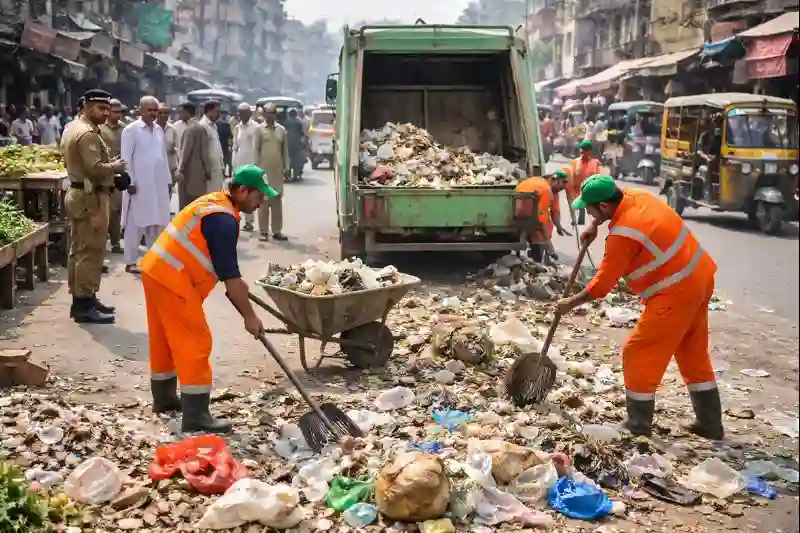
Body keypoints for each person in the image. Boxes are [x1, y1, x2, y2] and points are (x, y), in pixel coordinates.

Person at [555, 174, 723, 440]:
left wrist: (570, 303)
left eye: (590, 209)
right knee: (692, 351)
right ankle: (711, 424)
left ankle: (638, 423)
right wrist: (595, 224)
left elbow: (601, 287)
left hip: (675, 291)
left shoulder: (623, 235)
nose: (587, 212)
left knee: (638, 351)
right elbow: (612, 214)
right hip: (700, 276)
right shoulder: (636, 196)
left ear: (605, 206)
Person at [141, 165, 278, 432]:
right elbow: (230, 279)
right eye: (259, 195)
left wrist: (239, 288)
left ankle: (166, 399)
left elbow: (230, 276)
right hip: (172, 278)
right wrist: (250, 317)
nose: (262, 201)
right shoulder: (223, 221)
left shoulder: (217, 204)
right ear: (241, 191)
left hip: (157, 270)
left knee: (165, 338)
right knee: (195, 339)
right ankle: (196, 416)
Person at [62, 89, 126, 324]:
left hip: (83, 193)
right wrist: (115, 167)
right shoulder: (87, 133)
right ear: (87, 106)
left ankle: (86, 298)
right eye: (101, 108)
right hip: (90, 198)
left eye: (108, 108)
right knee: (90, 252)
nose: (106, 113)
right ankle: (83, 303)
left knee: (80, 250)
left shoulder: (74, 127)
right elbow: (95, 168)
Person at [120, 96, 172, 274]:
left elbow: (162, 158)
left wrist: (168, 181)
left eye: (155, 110)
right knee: (136, 223)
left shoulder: (158, 130)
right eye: (149, 110)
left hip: (157, 184)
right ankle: (131, 261)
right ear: (140, 110)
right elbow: (125, 158)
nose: (153, 114)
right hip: (139, 185)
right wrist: (130, 181)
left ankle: (153, 259)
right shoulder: (131, 131)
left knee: (156, 223)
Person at [515, 170, 571, 263]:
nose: (564, 187)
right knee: (542, 227)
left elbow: (555, 211)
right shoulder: (546, 190)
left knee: (546, 224)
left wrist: (559, 227)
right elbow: (541, 219)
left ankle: (543, 251)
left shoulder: (552, 190)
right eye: (563, 182)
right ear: (554, 180)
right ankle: (537, 259)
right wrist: (549, 244)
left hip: (521, 210)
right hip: (523, 212)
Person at [178, 101, 223, 209]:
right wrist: (181, 169)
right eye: (217, 111)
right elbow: (188, 151)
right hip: (206, 173)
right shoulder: (201, 127)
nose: (219, 114)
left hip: (216, 170)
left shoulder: (214, 127)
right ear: (209, 111)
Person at [255, 103, 289, 241]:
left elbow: (285, 151)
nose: (270, 115)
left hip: (277, 173)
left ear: (276, 114)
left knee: (276, 202)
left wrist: (287, 167)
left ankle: (277, 231)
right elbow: (255, 150)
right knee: (263, 202)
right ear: (264, 114)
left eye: (273, 113)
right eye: (268, 113)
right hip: (263, 172)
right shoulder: (259, 130)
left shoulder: (281, 130)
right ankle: (263, 231)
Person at [99, 99, 125, 254]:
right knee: (104, 210)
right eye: (115, 111)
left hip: (119, 172)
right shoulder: (100, 128)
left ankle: (115, 242)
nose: (118, 114)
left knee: (116, 209)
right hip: (103, 172)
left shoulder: (125, 129)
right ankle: (102, 243)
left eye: (120, 111)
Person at [232, 103, 262, 231]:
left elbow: (257, 148)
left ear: (249, 114)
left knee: (249, 194)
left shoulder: (256, 128)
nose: (241, 115)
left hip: (251, 165)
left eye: (244, 113)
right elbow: (235, 146)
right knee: (239, 194)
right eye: (240, 113)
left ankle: (249, 222)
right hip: (239, 164)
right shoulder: (237, 128)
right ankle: (239, 220)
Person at [569, 139, 601, 225]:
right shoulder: (575, 162)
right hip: (578, 190)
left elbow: (598, 177)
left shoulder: (595, 163)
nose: (582, 154)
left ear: (590, 152)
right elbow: (572, 176)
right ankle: (579, 219)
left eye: (584, 152)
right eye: (581, 152)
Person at [157, 103, 179, 206]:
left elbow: (178, 148)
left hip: (170, 166)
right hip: (155, 166)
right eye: (160, 113)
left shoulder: (173, 129)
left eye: (166, 113)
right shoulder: (151, 128)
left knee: (168, 190)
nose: (163, 115)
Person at [284, 108, 306, 180]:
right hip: (296, 144)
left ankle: (288, 174)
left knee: (288, 159)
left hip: (288, 144)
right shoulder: (299, 122)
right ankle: (296, 174)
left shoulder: (286, 122)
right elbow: (302, 134)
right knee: (297, 160)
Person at [216, 110, 233, 177]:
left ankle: (222, 174)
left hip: (219, 146)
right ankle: (229, 174)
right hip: (226, 146)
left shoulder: (215, 124)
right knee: (228, 161)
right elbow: (230, 136)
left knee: (221, 161)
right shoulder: (226, 124)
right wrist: (230, 145)